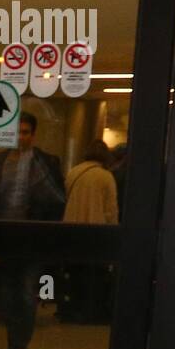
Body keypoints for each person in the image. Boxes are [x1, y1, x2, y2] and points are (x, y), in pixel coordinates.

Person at [0, 112, 66, 349]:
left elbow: (57, 201)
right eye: (17, 132)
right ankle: (13, 342)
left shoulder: (46, 162)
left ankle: (20, 345)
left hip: (32, 237)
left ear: (33, 135)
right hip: (4, 236)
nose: (21, 137)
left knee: (25, 292)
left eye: (25, 132)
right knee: (6, 293)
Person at [60, 139, 118, 324]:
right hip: (96, 231)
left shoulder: (73, 172)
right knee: (93, 277)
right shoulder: (106, 176)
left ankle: (70, 309)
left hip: (70, 230)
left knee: (74, 273)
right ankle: (89, 312)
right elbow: (111, 210)